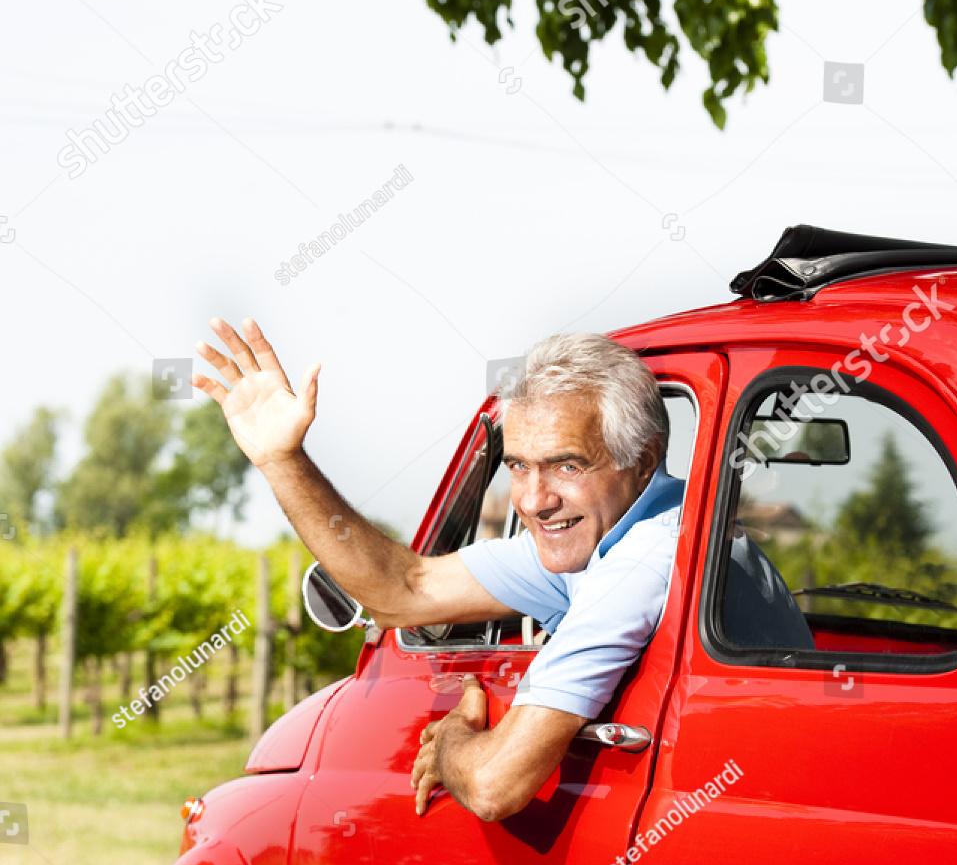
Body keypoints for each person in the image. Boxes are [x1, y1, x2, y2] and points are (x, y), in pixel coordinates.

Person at [192, 320, 800, 821]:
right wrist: (282, 459)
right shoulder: (613, 530)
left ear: (641, 459)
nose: (534, 500)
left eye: (566, 465)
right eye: (516, 466)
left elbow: (492, 786)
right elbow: (407, 590)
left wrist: (455, 737)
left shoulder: (643, 561)